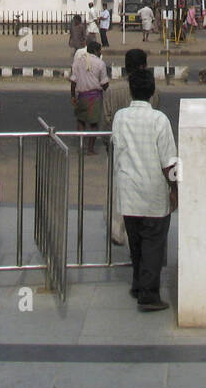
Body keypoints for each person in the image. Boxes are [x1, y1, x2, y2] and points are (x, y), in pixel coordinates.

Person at [111, 68, 179, 312]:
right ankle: (149, 294)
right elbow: (169, 161)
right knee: (153, 243)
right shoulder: (159, 120)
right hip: (153, 191)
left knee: (136, 241)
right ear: (152, 92)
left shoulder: (120, 117)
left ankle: (138, 283)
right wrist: (175, 189)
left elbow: (116, 148)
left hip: (128, 190)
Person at [103, 48, 161, 246]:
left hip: (119, 149)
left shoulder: (112, 91)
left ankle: (117, 231)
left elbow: (106, 122)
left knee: (118, 189)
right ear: (144, 66)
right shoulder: (153, 92)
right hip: (145, 150)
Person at [70, 40, 108, 153]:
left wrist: (73, 96)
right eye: (100, 50)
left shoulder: (78, 62)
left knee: (81, 121)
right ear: (96, 51)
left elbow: (73, 81)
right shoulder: (100, 63)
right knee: (94, 123)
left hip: (81, 96)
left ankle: (82, 145)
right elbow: (104, 83)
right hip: (95, 97)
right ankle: (90, 148)